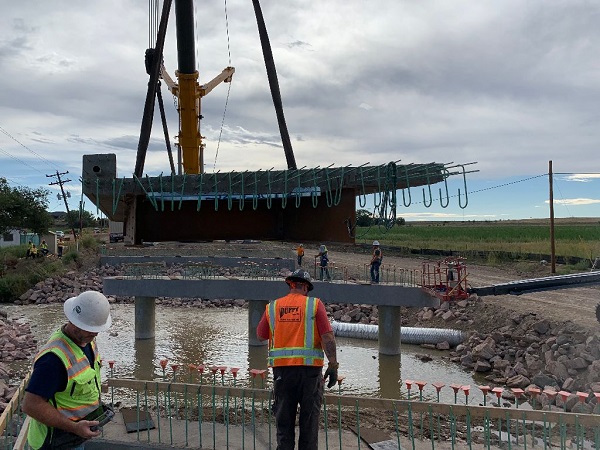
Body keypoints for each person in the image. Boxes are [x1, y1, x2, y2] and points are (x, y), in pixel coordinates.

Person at [256, 269, 338, 450]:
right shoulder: (314, 305)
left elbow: (261, 335)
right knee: (309, 425)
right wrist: (333, 365)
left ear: (290, 284)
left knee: (284, 424)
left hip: (282, 374)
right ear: (306, 288)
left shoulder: (273, 307)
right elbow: (327, 337)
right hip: (310, 374)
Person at [22, 291, 113, 450]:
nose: (95, 333)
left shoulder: (88, 341)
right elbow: (30, 405)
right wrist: (74, 427)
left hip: (76, 436)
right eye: (90, 329)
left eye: (96, 329)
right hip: (54, 442)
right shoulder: (52, 360)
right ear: (74, 322)